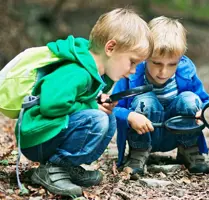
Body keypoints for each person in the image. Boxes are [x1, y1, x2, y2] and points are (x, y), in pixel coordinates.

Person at [17, 8, 153, 196]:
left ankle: (66, 167)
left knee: (108, 117)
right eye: (132, 62)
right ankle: (51, 169)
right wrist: (91, 106)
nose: (133, 71)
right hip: (38, 138)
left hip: (50, 133)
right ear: (110, 48)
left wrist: (96, 100)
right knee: (97, 119)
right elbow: (51, 104)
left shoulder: (93, 72)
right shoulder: (77, 71)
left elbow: (77, 100)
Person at [113, 16, 209, 177]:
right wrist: (130, 115)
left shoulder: (186, 72)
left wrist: (204, 113)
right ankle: (138, 153)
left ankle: (188, 149)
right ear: (145, 56)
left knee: (190, 99)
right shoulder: (132, 74)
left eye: (172, 64)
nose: (163, 72)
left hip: (176, 133)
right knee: (145, 100)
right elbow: (113, 108)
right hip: (144, 132)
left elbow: (205, 101)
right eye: (156, 63)